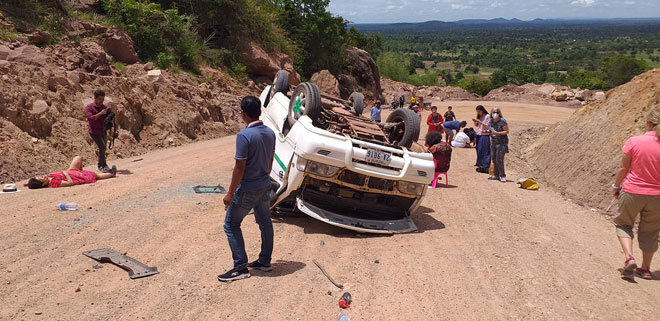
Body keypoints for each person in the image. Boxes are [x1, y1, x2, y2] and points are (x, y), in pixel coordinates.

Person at [218, 96, 276, 282]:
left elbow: (240, 167)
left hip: (248, 188)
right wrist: (264, 176)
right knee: (265, 222)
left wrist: (230, 193)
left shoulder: (244, 136)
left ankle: (240, 267)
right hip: (264, 185)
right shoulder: (270, 133)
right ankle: (265, 261)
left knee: (231, 224)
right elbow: (270, 160)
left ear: (243, 114)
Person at [612, 108, 660, 280]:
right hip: (657, 197)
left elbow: (623, 168)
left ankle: (629, 258)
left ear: (649, 123)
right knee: (651, 231)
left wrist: (616, 186)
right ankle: (646, 269)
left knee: (623, 224)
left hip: (632, 191)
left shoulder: (635, 141)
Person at [24, 156, 116, 189]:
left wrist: (28, 184)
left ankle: (82, 172)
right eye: (41, 179)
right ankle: (111, 174)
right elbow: (70, 183)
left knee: (78, 158)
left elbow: (33, 182)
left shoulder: (47, 178)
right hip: (73, 177)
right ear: (43, 184)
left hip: (72, 171)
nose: (42, 177)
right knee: (96, 176)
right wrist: (66, 174)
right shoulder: (54, 183)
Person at [85, 89, 112, 172]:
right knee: (102, 147)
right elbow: (90, 118)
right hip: (94, 131)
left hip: (102, 130)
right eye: (100, 99)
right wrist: (100, 113)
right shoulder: (89, 107)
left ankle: (101, 165)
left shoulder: (104, 107)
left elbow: (108, 118)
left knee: (103, 148)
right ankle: (103, 165)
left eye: (103, 99)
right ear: (95, 98)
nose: (101, 101)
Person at [488, 107, 509, 183]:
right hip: (493, 142)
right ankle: (496, 175)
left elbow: (506, 131)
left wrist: (498, 133)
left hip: (501, 142)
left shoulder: (502, 121)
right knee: (494, 158)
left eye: (496, 112)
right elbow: (490, 129)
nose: (495, 114)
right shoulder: (491, 121)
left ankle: (502, 175)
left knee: (499, 159)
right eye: (493, 112)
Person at [472, 105, 491, 169]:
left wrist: (479, 121)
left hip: (484, 134)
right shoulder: (480, 116)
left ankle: (485, 164)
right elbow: (477, 126)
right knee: (479, 149)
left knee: (485, 150)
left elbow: (487, 126)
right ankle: (479, 163)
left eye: (479, 111)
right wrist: (475, 122)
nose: (478, 113)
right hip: (479, 134)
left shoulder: (487, 116)